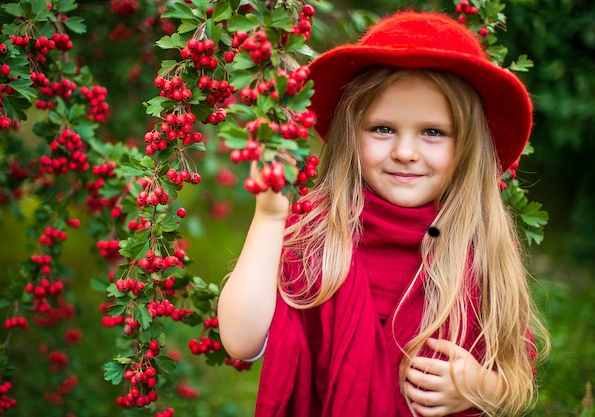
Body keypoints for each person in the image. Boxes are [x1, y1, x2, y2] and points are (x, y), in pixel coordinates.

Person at [217, 10, 549, 417]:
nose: (405, 152)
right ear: (350, 133)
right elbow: (240, 340)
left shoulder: (481, 249)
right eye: (382, 129)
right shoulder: (315, 234)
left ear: (467, 146)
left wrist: (481, 387)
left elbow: (516, 378)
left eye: (432, 132)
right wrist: (269, 218)